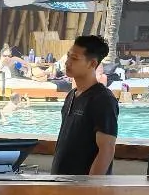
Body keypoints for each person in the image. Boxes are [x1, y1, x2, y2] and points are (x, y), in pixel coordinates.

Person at [51, 34, 118, 175]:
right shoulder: (72, 95)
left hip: (83, 189)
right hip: (61, 183)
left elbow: (107, 149)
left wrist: (90, 187)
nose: (67, 62)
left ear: (92, 64)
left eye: (74, 58)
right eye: (68, 56)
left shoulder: (103, 99)